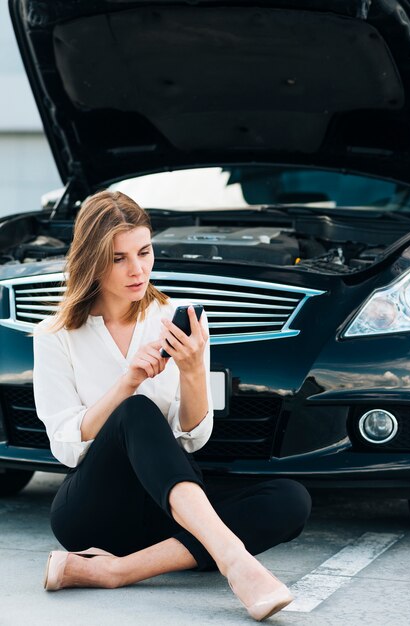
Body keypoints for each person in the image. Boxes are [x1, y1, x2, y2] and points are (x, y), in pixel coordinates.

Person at [32, 190, 311, 621]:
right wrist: (126, 384)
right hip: (93, 514)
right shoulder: (55, 335)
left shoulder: (172, 319)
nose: (137, 269)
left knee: (291, 499)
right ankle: (234, 560)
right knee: (135, 410)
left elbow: (193, 439)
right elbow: (65, 446)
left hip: (169, 512)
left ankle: (117, 571)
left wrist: (195, 369)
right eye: (118, 258)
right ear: (90, 260)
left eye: (144, 251)